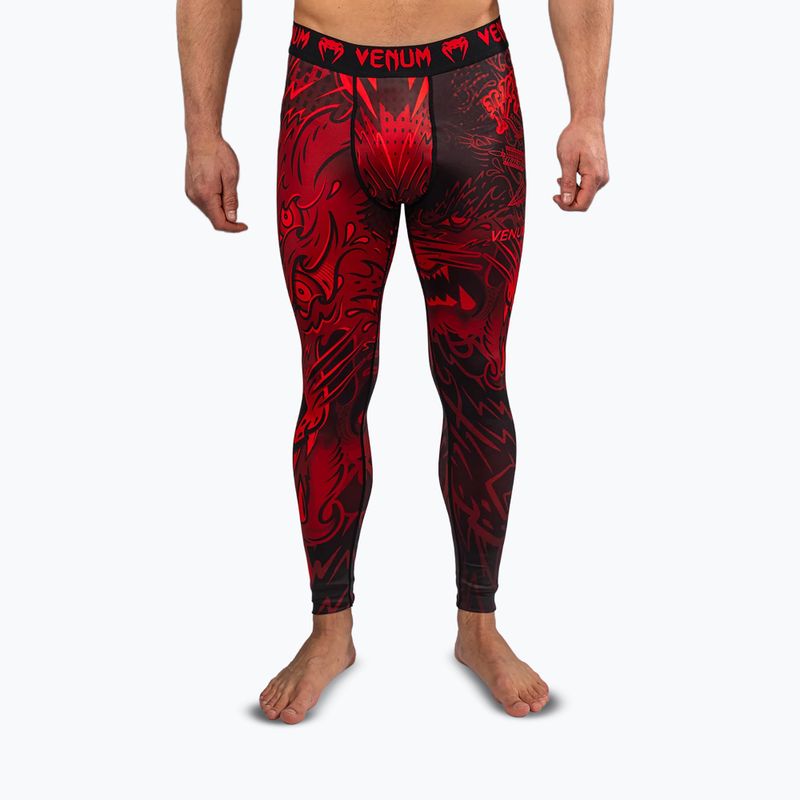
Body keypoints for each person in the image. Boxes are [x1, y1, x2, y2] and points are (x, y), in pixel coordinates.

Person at [177, 0, 612, 723]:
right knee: (331, 385)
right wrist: (202, 130)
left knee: (476, 379)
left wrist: (588, 112)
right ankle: (330, 630)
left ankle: (479, 626)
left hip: (471, 87)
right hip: (327, 91)